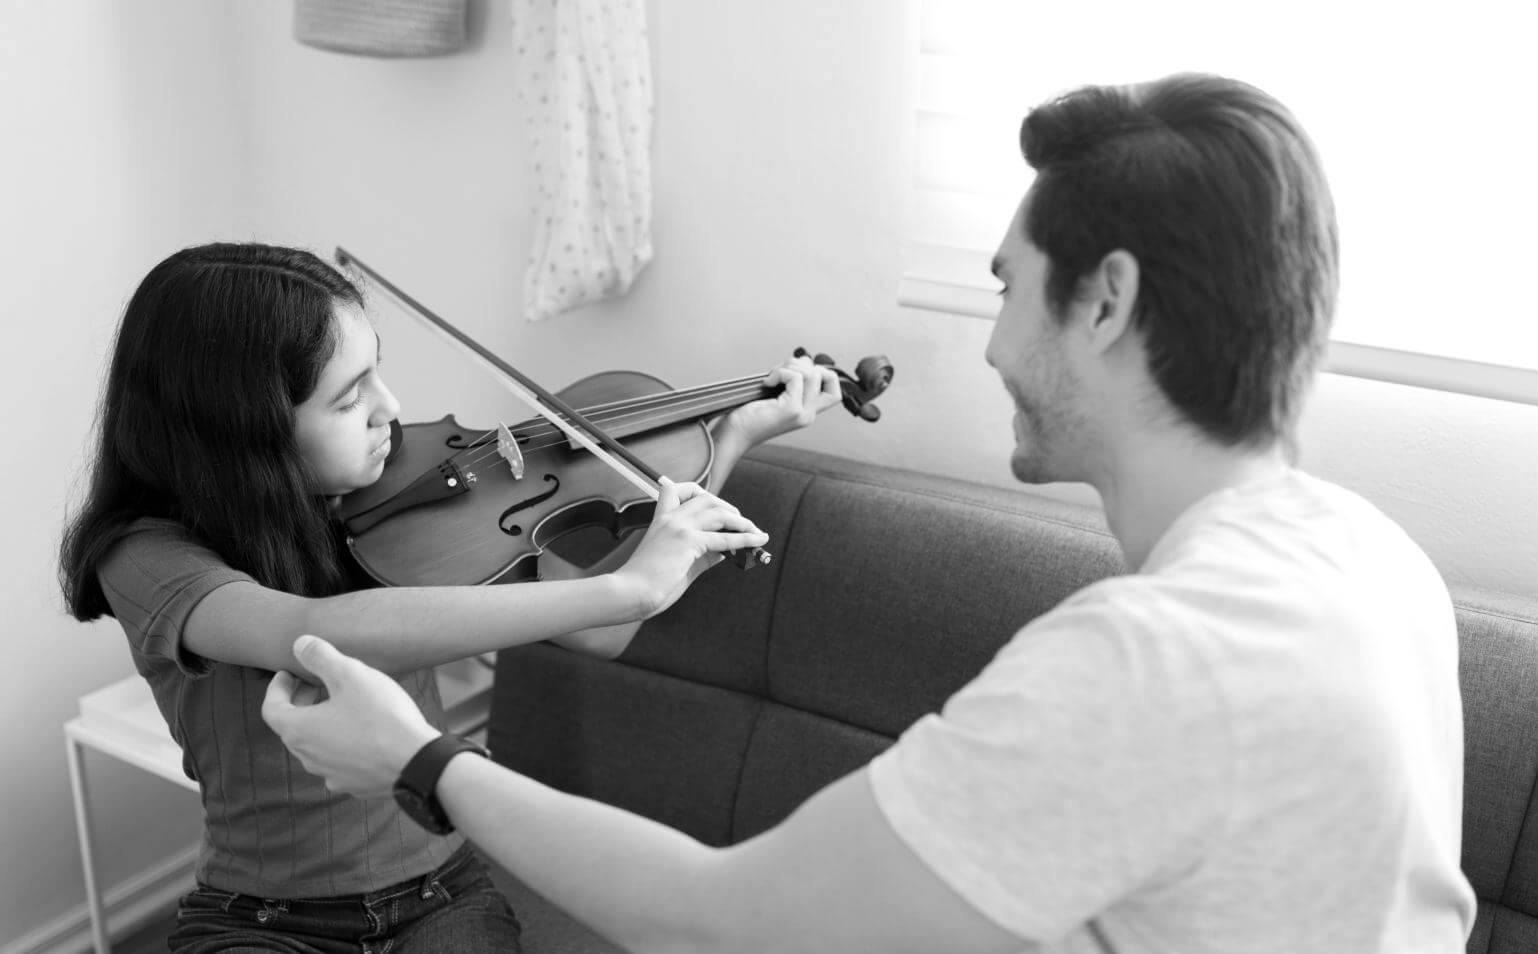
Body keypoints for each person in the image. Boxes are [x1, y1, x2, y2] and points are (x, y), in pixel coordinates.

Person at [262, 73, 1478, 953]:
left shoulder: (1149, 662)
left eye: (1008, 287)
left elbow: (719, 923)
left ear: (1104, 302)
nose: (994, 341)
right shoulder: (1370, 558)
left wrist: (419, 760)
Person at [58, 241, 840, 954]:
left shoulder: (410, 500)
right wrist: (630, 587)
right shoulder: (149, 558)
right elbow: (315, 631)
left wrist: (727, 439)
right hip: (260, 920)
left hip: (440, 898)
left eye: (379, 372)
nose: (392, 409)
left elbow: (599, 634)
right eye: (349, 397)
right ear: (243, 429)